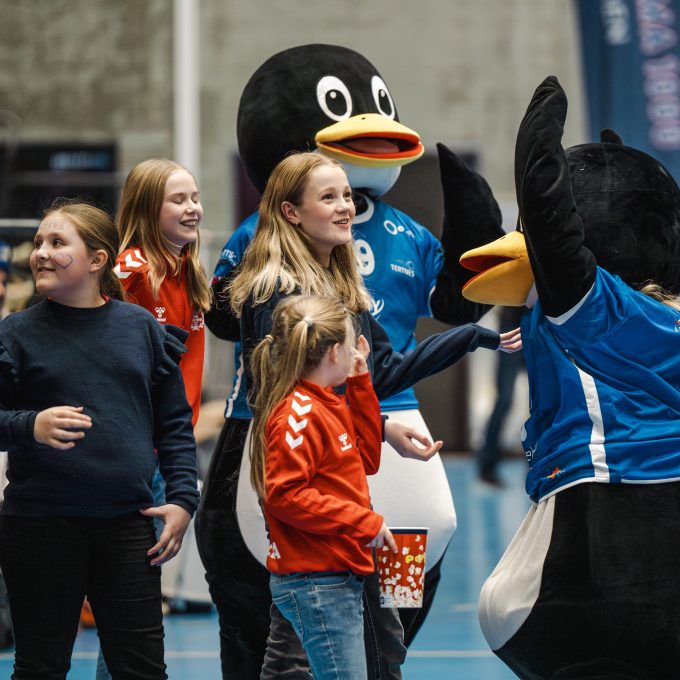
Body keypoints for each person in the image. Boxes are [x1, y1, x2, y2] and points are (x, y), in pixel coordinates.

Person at [226, 151, 520, 679]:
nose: (347, 207)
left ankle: (383, 664)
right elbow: (297, 401)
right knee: (304, 622)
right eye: (329, 197)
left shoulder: (345, 285)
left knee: (390, 596)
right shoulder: (279, 295)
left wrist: (383, 424)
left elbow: (381, 371)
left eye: (347, 195)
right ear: (291, 212)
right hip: (311, 462)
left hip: (360, 441)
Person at [0, 199, 199, 679]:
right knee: (41, 666)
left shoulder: (140, 328)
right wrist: (31, 425)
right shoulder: (16, 333)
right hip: (40, 525)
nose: (41, 253)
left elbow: (173, 424)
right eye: (39, 243)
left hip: (128, 525)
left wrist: (182, 499)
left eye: (57, 242)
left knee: (141, 669)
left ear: (97, 259)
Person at [93, 158, 211, 679]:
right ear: (146, 209)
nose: (193, 208)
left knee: (135, 602)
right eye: (178, 200)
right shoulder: (130, 273)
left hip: (170, 445)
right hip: (137, 451)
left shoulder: (188, 269)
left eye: (195, 197)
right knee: (128, 601)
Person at [250, 294, 398, 680]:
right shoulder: (298, 413)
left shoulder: (328, 402)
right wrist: (362, 522)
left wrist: (361, 382)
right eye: (351, 347)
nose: (356, 353)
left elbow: (367, 459)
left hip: (336, 572)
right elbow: (284, 495)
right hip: (318, 580)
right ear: (334, 353)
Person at [476, 305, 527, 487]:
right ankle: (487, 465)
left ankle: (538, 464)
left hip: (538, 324)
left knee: (543, 400)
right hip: (512, 325)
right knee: (504, 400)